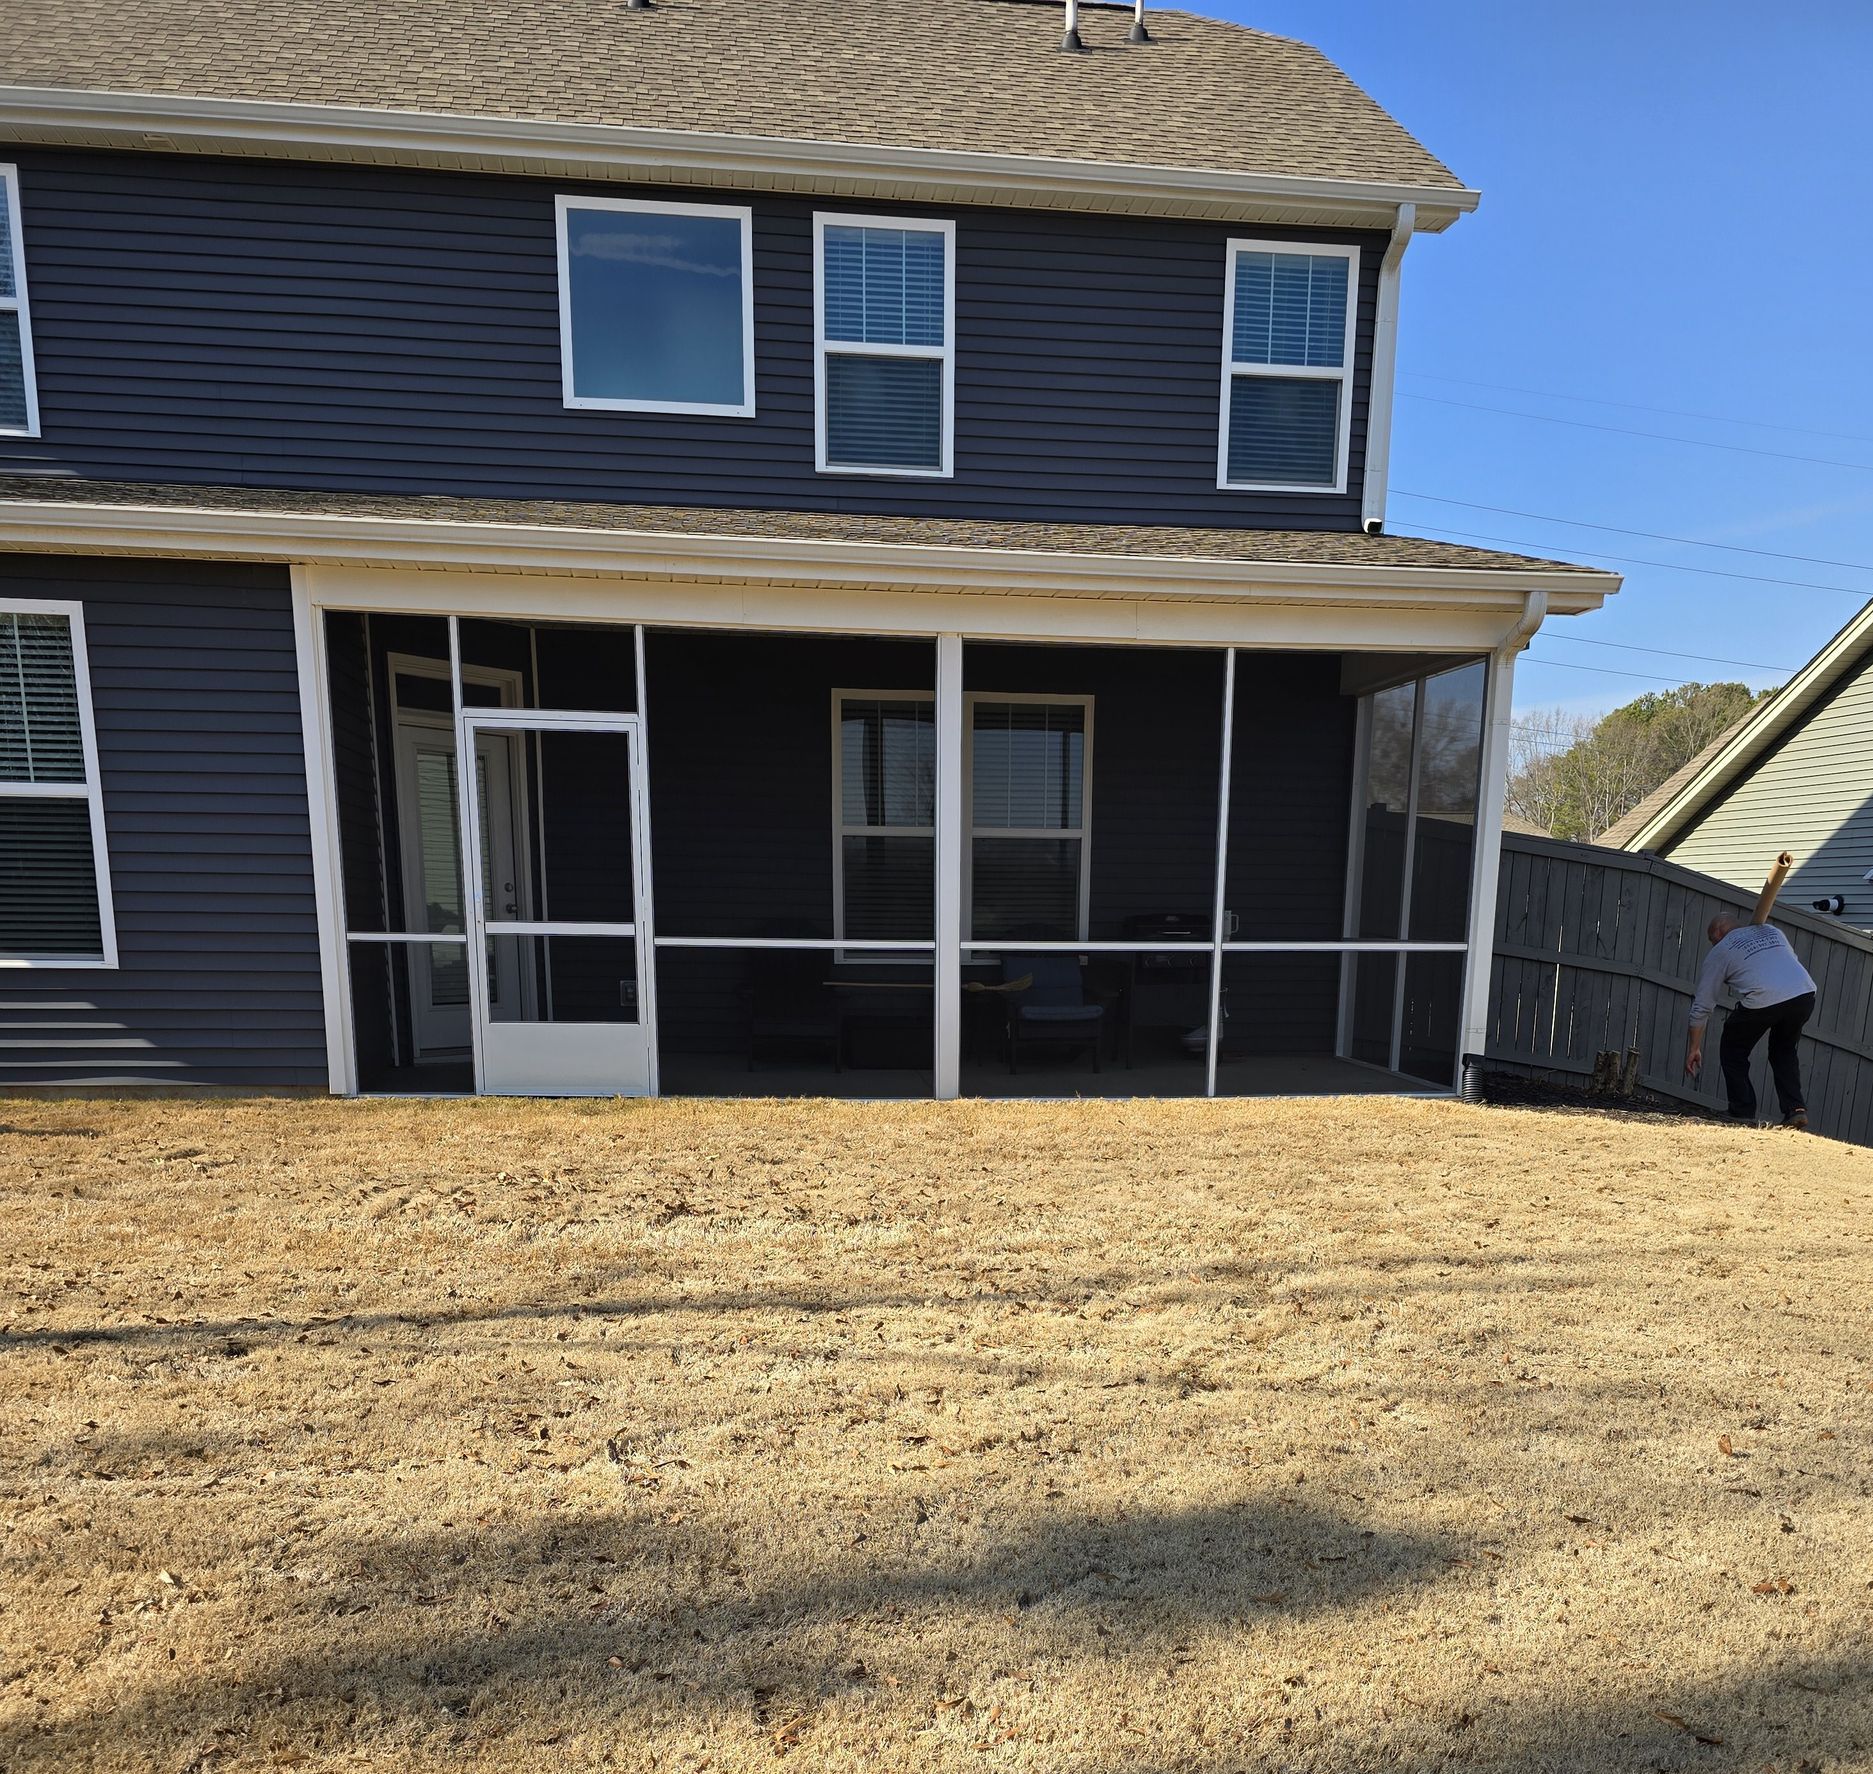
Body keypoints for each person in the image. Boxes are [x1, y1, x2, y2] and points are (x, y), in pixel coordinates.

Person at [1684, 851, 1816, 1129]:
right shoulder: (1772, 932)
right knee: (1784, 1050)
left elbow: (1703, 1005)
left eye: (1711, 940)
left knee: (1733, 1048)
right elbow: (1787, 963)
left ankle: (1742, 1111)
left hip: (1765, 998)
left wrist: (1694, 1047)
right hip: (1803, 993)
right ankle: (1795, 1109)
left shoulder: (1720, 951)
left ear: (1717, 935)